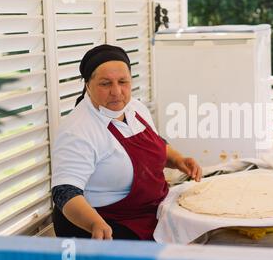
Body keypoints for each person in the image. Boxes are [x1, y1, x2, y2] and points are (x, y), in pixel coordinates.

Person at [51, 44, 202, 240]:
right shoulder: (77, 130)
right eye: (105, 84)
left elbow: (156, 143)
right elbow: (65, 192)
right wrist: (94, 223)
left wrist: (179, 160)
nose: (116, 91)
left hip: (151, 213)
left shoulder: (135, 108)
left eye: (123, 81)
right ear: (88, 85)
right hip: (108, 225)